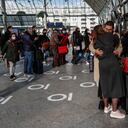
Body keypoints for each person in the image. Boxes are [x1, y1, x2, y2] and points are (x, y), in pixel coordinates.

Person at [94, 21, 125, 119]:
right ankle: (114, 111)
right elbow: (92, 47)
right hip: (112, 63)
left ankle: (106, 107)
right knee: (115, 86)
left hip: (102, 64)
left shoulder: (98, 37)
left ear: (112, 29)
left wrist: (118, 51)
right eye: (107, 29)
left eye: (110, 30)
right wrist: (96, 51)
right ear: (103, 27)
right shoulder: (114, 37)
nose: (108, 31)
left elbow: (119, 48)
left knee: (104, 85)